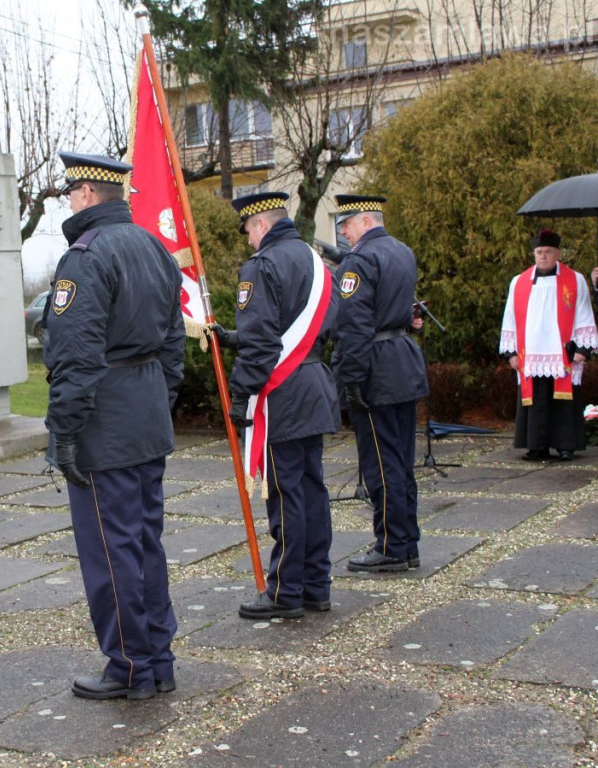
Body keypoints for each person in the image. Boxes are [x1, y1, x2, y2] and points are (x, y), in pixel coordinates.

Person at [45, 151, 185, 701]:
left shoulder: (85, 257)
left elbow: (75, 358)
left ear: (85, 194)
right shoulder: (154, 247)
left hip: (107, 421)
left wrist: (64, 432)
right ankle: (158, 658)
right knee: (145, 542)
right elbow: (173, 344)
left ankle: (130, 666)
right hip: (144, 413)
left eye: (70, 192)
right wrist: (158, 397)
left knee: (111, 551)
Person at [211, 192, 340, 619]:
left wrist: (242, 396)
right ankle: (316, 584)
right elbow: (318, 324)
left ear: (261, 225)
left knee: (285, 495)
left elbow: (264, 342)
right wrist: (232, 337)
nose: (248, 240)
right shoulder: (316, 261)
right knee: (311, 489)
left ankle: (285, 591)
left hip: (283, 394)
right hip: (314, 382)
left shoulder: (262, 266)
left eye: (248, 230)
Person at [331, 194, 429, 573]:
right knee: (402, 459)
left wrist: (351, 379)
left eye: (348, 223)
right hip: (400, 363)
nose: (343, 230)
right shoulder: (401, 251)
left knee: (381, 462)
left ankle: (391, 545)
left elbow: (353, 325)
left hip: (376, 369)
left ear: (367, 220)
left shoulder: (359, 262)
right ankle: (407, 542)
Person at [500, 229, 597, 460]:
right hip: (530, 352)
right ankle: (536, 445)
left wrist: (583, 349)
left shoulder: (575, 280)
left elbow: (584, 313)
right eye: (539, 252)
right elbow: (510, 317)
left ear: (557, 254)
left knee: (563, 401)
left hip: (563, 352)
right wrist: (511, 352)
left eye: (547, 252)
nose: (542, 256)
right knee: (536, 399)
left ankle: (565, 446)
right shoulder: (519, 282)